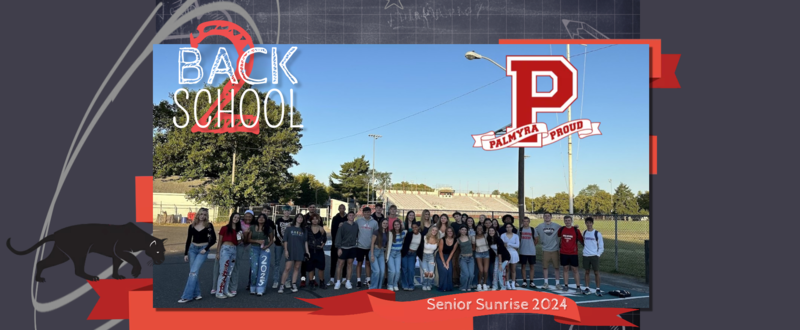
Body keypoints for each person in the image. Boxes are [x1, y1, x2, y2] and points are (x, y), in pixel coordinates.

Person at [178, 208, 216, 303]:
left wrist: (206, 249)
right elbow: (188, 240)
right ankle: (197, 294)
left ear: (207, 216)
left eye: (205, 215)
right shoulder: (192, 226)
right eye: (201, 214)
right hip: (192, 250)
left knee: (193, 272)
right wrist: (186, 253)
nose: (203, 216)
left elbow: (214, 239)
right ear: (198, 214)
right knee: (193, 272)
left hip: (202, 250)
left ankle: (187, 296)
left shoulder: (209, 225)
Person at [278, 214, 310, 294]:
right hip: (290, 250)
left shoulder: (304, 230)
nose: (300, 219)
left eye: (301, 218)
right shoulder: (289, 228)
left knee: (297, 268)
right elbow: (285, 240)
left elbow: (305, 242)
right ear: (295, 219)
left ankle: (293, 284)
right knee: (287, 268)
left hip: (300, 251)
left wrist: (307, 251)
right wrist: (286, 250)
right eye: (298, 217)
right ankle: (282, 285)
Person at [214, 213, 242, 298]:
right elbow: (220, 241)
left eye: (238, 218)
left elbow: (238, 242)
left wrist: (241, 237)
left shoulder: (238, 231)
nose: (236, 219)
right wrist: (218, 252)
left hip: (234, 250)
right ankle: (219, 292)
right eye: (235, 217)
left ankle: (225, 290)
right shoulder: (224, 228)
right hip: (225, 249)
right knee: (223, 271)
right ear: (231, 217)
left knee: (229, 272)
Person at [246, 213, 273, 296]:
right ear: (257, 219)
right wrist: (257, 241)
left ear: (265, 220)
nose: (261, 219)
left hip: (264, 249)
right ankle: (253, 287)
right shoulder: (252, 227)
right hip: (254, 249)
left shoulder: (268, 228)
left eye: (263, 218)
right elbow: (248, 239)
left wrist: (267, 246)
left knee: (263, 269)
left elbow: (272, 240)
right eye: (259, 217)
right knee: (254, 269)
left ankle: (260, 288)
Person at [535, 212, 562, 290]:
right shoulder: (540, 226)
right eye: (545, 216)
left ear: (551, 217)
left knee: (556, 267)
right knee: (545, 267)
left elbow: (565, 229)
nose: (547, 217)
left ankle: (557, 283)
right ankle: (546, 283)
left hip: (555, 249)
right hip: (545, 249)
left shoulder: (556, 226)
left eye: (548, 216)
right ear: (543, 217)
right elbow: (532, 231)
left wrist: (574, 227)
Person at [558, 215, 584, 294]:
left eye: (569, 220)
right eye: (566, 221)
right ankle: (566, 285)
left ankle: (578, 286)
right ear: (564, 221)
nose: (567, 222)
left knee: (575, 269)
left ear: (571, 221)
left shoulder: (576, 230)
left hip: (573, 253)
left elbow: (581, 240)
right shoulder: (561, 229)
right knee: (565, 268)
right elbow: (558, 235)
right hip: (564, 252)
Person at [334, 211, 358, 290]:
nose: (351, 216)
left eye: (352, 215)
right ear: (347, 217)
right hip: (343, 247)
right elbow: (338, 236)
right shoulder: (343, 225)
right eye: (349, 215)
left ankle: (348, 281)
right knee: (340, 264)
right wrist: (339, 248)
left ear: (354, 216)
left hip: (352, 247)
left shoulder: (356, 225)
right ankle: (338, 281)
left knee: (350, 264)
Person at [355, 207, 379, 288]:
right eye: (365, 212)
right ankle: (358, 280)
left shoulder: (374, 222)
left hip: (369, 247)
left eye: (368, 212)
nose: (366, 214)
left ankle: (368, 280)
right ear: (363, 213)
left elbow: (376, 234)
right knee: (359, 263)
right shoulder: (358, 221)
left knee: (368, 263)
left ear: (370, 212)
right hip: (360, 246)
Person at [581, 217, 604, 296]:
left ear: (592, 223)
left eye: (590, 223)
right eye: (587, 223)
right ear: (585, 223)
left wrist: (598, 254)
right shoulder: (584, 232)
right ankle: (587, 288)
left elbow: (601, 246)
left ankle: (598, 289)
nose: (589, 224)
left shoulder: (597, 233)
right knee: (586, 272)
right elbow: (583, 242)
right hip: (586, 255)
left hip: (594, 256)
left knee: (596, 272)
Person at [272, 206, 293, 288]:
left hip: (290, 244)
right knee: (277, 262)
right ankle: (276, 280)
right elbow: (277, 232)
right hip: (279, 244)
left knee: (288, 263)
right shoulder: (278, 220)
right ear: (283, 212)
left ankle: (288, 280)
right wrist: (282, 241)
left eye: (288, 211)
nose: (287, 212)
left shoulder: (292, 221)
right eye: (285, 211)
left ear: (290, 212)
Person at [305, 213, 327, 290]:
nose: (315, 220)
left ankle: (322, 282)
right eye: (313, 219)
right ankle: (311, 282)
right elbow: (305, 239)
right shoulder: (307, 228)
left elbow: (324, 238)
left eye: (316, 219)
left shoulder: (321, 228)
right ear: (311, 220)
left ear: (318, 220)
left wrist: (323, 244)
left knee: (321, 267)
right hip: (310, 250)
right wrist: (307, 251)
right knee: (310, 267)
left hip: (319, 250)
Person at [328, 204, 347, 286]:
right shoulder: (335, 218)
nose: (342, 209)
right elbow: (333, 231)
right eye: (340, 208)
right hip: (336, 243)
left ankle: (344, 278)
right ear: (338, 209)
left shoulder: (347, 218)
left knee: (344, 262)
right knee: (334, 261)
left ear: (345, 209)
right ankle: (332, 278)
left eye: (343, 208)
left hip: (345, 243)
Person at [401, 219, 423, 291]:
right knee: (404, 269)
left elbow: (421, 246)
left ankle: (411, 284)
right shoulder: (409, 234)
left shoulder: (421, 235)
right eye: (413, 227)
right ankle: (405, 284)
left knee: (411, 270)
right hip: (406, 253)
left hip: (413, 254)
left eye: (415, 227)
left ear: (419, 227)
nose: (414, 229)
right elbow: (405, 244)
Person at [300, 204, 318, 288]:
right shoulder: (304, 217)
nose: (312, 208)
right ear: (308, 208)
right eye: (310, 207)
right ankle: (303, 279)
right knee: (304, 262)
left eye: (313, 207)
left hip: (314, 244)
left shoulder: (318, 217)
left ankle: (313, 279)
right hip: (305, 242)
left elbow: (320, 228)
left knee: (313, 262)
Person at [518, 217, 539, 288]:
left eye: (527, 221)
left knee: (532, 266)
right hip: (523, 251)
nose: (526, 223)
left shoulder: (532, 229)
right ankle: (524, 281)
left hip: (531, 252)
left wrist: (532, 246)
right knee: (523, 266)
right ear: (522, 222)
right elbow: (518, 239)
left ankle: (531, 281)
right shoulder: (520, 230)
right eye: (524, 221)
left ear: (529, 222)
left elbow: (536, 239)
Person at [487, 227, 510, 291]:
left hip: (504, 257)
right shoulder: (489, 239)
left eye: (492, 231)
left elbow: (500, 252)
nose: (491, 232)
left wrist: (500, 263)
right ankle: (495, 286)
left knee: (500, 271)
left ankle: (503, 287)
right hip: (497, 257)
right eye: (490, 231)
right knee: (495, 272)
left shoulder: (498, 240)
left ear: (495, 232)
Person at [436, 227, 458, 292]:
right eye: (448, 231)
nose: (450, 232)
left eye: (451, 231)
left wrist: (447, 262)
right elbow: (440, 251)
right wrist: (444, 262)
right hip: (440, 256)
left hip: (448, 257)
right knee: (444, 270)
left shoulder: (456, 241)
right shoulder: (442, 240)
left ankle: (448, 288)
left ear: (453, 232)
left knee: (449, 270)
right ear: (446, 232)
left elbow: (452, 252)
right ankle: (443, 287)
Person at [369, 219, 389, 290]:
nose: (385, 224)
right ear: (381, 224)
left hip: (381, 252)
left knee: (382, 271)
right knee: (376, 271)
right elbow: (372, 243)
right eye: (384, 223)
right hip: (374, 251)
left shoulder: (387, 233)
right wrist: (372, 255)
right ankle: (373, 288)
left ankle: (379, 288)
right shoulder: (376, 232)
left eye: (386, 223)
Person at [386, 219, 405, 291]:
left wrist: (403, 225)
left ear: (400, 225)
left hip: (398, 254)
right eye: (395, 225)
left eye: (398, 224)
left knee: (397, 271)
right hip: (391, 253)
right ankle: (390, 284)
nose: (396, 226)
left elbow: (406, 230)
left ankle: (395, 284)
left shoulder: (403, 233)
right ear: (393, 226)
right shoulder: (390, 233)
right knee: (392, 271)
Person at [501, 223, 520, 289]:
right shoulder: (503, 235)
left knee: (513, 270)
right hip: (506, 253)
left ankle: (513, 283)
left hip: (514, 253)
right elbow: (502, 245)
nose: (508, 228)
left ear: (512, 228)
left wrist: (508, 244)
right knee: (507, 269)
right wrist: (512, 245)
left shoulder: (516, 236)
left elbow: (517, 245)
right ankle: (507, 283)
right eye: (507, 227)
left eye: (510, 227)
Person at [457, 226, 475, 292]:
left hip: (471, 258)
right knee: (465, 274)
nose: (464, 231)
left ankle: (468, 285)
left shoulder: (470, 237)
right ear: (460, 231)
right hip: (463, 258)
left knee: (471, 274)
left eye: (465, 230)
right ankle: (463, 286)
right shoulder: (458, 239)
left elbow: (474, 246)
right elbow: (454, 249)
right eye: (462, 230)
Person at [420, 227, 439, 291]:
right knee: (426, 273)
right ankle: (424, 285)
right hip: (424, 256)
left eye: (436, 230)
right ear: (430, 230)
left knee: (431, 273)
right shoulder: (424, 237)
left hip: (431, 256)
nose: (434, 231)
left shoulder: (437, 240)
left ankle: (429, 285)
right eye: (433, 230)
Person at [473, 225, 490, 291]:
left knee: (485, 270)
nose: (479, 230)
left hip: (486, 253)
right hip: (478, 253)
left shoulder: (486, 235)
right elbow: (474, 248)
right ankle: (479, 284)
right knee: (481, 270)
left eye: (481, 228)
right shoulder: (474, 237)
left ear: (483, 229)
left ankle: (485, 284)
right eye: (478, 228)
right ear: (476, 229)